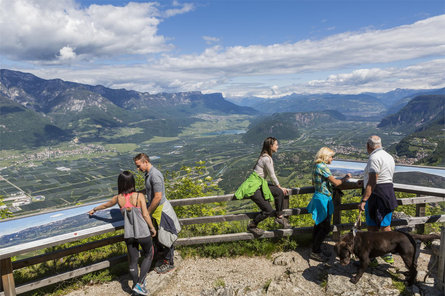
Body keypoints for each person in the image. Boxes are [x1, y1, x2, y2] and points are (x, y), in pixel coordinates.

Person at [89, 171, 156, 296]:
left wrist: (94, 209)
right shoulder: (139, 196)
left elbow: (105, 205)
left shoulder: (118, 198)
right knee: (149, 254)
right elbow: (146, 215)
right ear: (132, 182)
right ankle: (140, 284)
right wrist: (152, 228)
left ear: (120, 183)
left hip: (129, 234)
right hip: (142, 232)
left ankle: (136, 288)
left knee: (133, 262)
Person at [134, 153, 181, 274]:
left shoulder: (155, 175)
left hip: (161, 211)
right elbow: (151, 190)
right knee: (159, 237)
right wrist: (138, 193)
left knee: (166, 237)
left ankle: (169, 263)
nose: (138, 169)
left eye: (139, 166)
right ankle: (163, 260)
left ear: (145, 162)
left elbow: (158, 197)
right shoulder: (148, 174)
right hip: (157, 210)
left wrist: (147, 212)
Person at [234, 137, 290, 237]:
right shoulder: (266, 158)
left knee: (279, 192)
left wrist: (279, 189)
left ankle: (279, 216)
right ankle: (252, 225)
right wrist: (280, 186)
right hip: (254, 186)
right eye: (276, 144)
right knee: (268, 210)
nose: (278, 146)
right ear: (270, 146)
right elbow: (272, 175)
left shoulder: (265, 157)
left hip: (260, 184)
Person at [358, 135, 398, 266]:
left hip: (376, 194)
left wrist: (364, 200)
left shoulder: (374, 158)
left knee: (373, 226)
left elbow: (373, 181)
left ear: (368, 146)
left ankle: (374, 255)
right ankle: (387, 253)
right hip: (388, 193)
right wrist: (363, 180)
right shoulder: (389, 156)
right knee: (385, 224)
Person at [307, 147, 351, 262]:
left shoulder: (317, 165)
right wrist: (345, 178)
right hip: (323, 198)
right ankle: (315, 251)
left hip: (319, 197)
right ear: (326, 156)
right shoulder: (322, 166)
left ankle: (315, 248)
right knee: (325, 227)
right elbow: (336, 183)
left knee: (319, 224)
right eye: (331, 156)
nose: (332, 158)